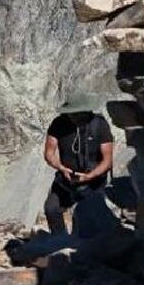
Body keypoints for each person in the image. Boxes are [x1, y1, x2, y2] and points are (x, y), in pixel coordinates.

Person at [42, 93, 114, 236]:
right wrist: (61, 168)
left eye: (78, 114)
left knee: (86, 215)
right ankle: (59, 241)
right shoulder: (58, 124)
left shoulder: (99, 125)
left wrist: (90, 176)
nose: (74, 117)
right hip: (65, 179)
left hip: (94, 180)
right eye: (71, 114)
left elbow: (107, 160)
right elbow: (49, 153)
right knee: (51, 208)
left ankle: (85, 245)